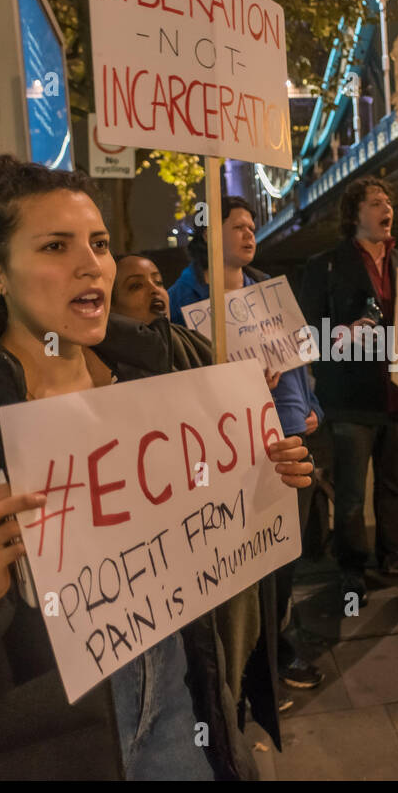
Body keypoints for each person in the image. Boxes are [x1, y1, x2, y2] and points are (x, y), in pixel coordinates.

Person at [0, 155, 312, 780]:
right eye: (56, 246)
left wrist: (265, 478)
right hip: (38, 756)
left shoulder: (159, 388)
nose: (91, 265)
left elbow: (208, 557)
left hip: (179, 719)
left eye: (100, 244)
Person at [162, 199, 327, 691]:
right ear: (211, 236)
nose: (250, 233)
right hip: (230, 448)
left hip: (288, 435)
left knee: (284, 551)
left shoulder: (270, 293)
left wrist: (313, 403)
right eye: (238, 226)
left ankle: (279, 647)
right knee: (240, 557)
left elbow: (297, 360)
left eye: (253, 226)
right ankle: (244, 660)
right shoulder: (179, 299)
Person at [300, 178, 398, 606]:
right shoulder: (325, 264)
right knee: (349, 493)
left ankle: (395, 558)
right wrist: (343, 332)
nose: (389, 209)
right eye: (378, 202)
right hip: (349, 397)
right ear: (355, 214)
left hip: (396, 393)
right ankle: (351, 570)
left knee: (393, 486)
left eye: (390, 202)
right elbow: (308, 334)